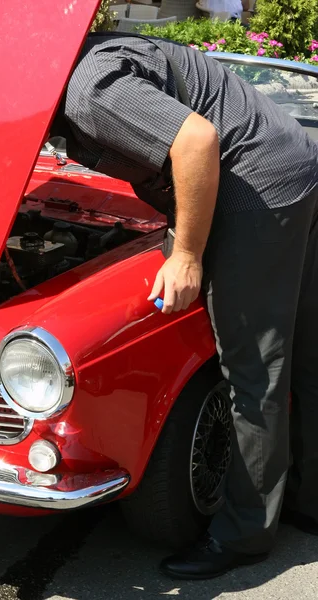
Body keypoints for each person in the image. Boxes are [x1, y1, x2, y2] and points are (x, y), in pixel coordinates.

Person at [51, 33, 318, 580]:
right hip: (298, 165)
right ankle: (308, 500)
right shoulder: (91, 57)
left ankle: (245, 536)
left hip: (260, 185)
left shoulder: (88, 86)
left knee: (255, 368)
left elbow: (196, 141)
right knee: (307, 349)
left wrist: (188, 255)